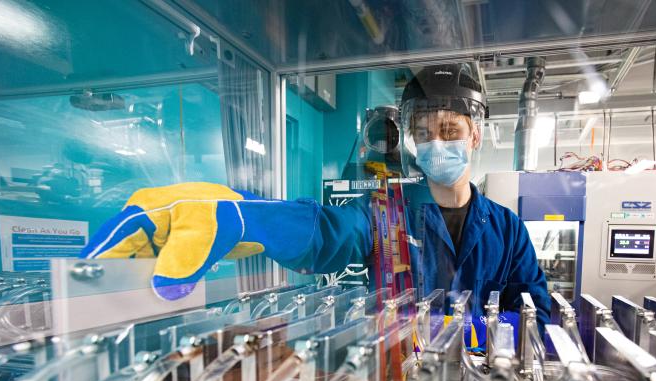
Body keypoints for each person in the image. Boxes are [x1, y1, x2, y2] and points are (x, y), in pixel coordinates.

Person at [81, 64, 550, 344]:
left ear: (476, 135)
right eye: (424, 134)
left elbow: (540, 319)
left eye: (450, 131)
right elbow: (329, 232)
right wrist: (250, 219)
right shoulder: (388, 216)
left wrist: (461, 332)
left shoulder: (508, 231)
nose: (436, 145)